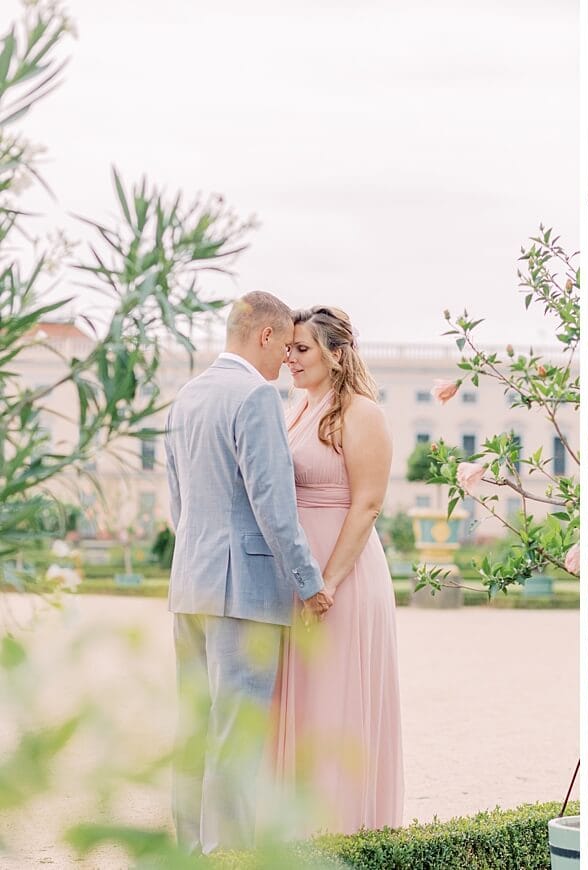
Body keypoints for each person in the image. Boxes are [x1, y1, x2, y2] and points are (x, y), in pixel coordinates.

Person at [165, 291, 334, 855]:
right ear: (264, 336)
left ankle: (189, 853)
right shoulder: (255, 397)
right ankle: (229, 857)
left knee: (194, 728)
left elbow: (178, 504)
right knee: (237, 734)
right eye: (285, 345)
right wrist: (309, 583)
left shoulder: (186, 397)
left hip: (190, 584)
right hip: (244, 593)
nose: (285, 360)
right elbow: (272, 503)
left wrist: (199, 559)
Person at [273, 305, 404, 834]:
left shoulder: (363, 413)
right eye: (288, 349)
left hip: (342, 576)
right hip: (299, 574)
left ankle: (341, 834)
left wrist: (327, 581)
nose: (290, 359)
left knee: (334, 701)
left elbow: (368, 504)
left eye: (301, 349)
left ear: (336, 352)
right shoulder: (295, 407)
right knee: (300, 702)